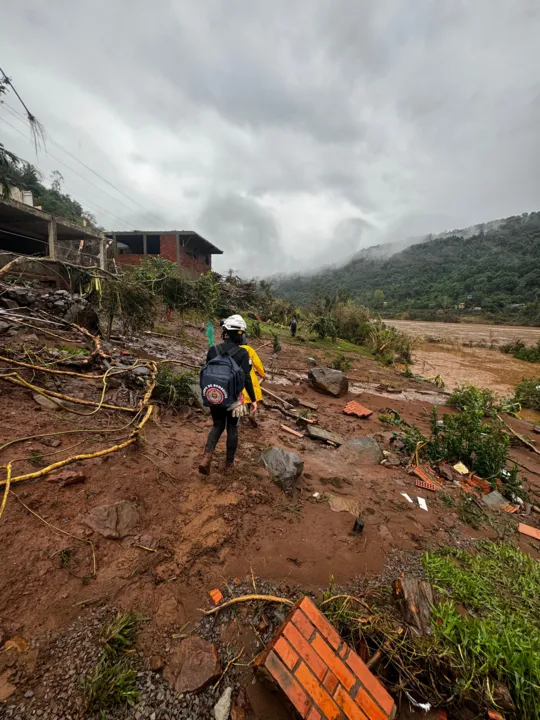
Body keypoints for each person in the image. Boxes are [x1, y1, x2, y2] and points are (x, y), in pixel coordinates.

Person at [199, 315, 257, 475]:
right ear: (240, 334)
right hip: (236, 400)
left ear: (225, 332)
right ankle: (229, 464)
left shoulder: (213, 350)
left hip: (215, 395)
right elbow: (246, 379)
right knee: (232, 428)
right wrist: (253, 400)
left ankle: (207, 456)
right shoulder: (243, 354)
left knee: (217, 425)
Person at [241, 342, 266, 427]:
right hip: (249, 378)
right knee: (254, 397)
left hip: (236, 378)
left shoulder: (232, 349)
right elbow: (257, 363)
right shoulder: (249, 350)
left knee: (240, 397)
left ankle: (240, 415)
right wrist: (263, 374)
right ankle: (251, 414)